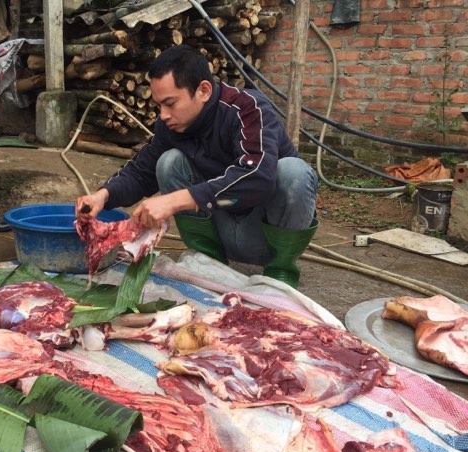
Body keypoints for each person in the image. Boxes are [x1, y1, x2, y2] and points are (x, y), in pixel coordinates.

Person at [76, 45, 319, 287]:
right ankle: (208, 259)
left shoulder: (248, 109)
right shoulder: (171, 125)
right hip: (222, 227)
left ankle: (280, 272)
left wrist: (173, 201)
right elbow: (142, 171)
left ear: (203, 90)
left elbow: (257, 178)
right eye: (159, 105)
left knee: (293, 172)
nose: (163, 115)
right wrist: (102, 196)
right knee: (168, 162)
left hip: (265, 233)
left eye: (170, 103)